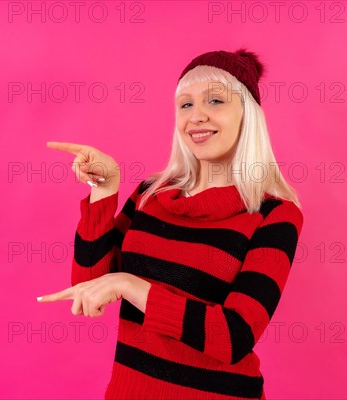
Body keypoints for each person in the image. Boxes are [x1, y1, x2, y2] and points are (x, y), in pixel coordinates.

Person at [38, 48, 304, 400]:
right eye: (186, 104)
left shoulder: (275, 214)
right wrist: (104, 191)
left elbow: (234, 336)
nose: (197, 117)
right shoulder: (152, 193)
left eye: (215, 101)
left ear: (248, 115)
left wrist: (132, 286)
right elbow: (89, 287)